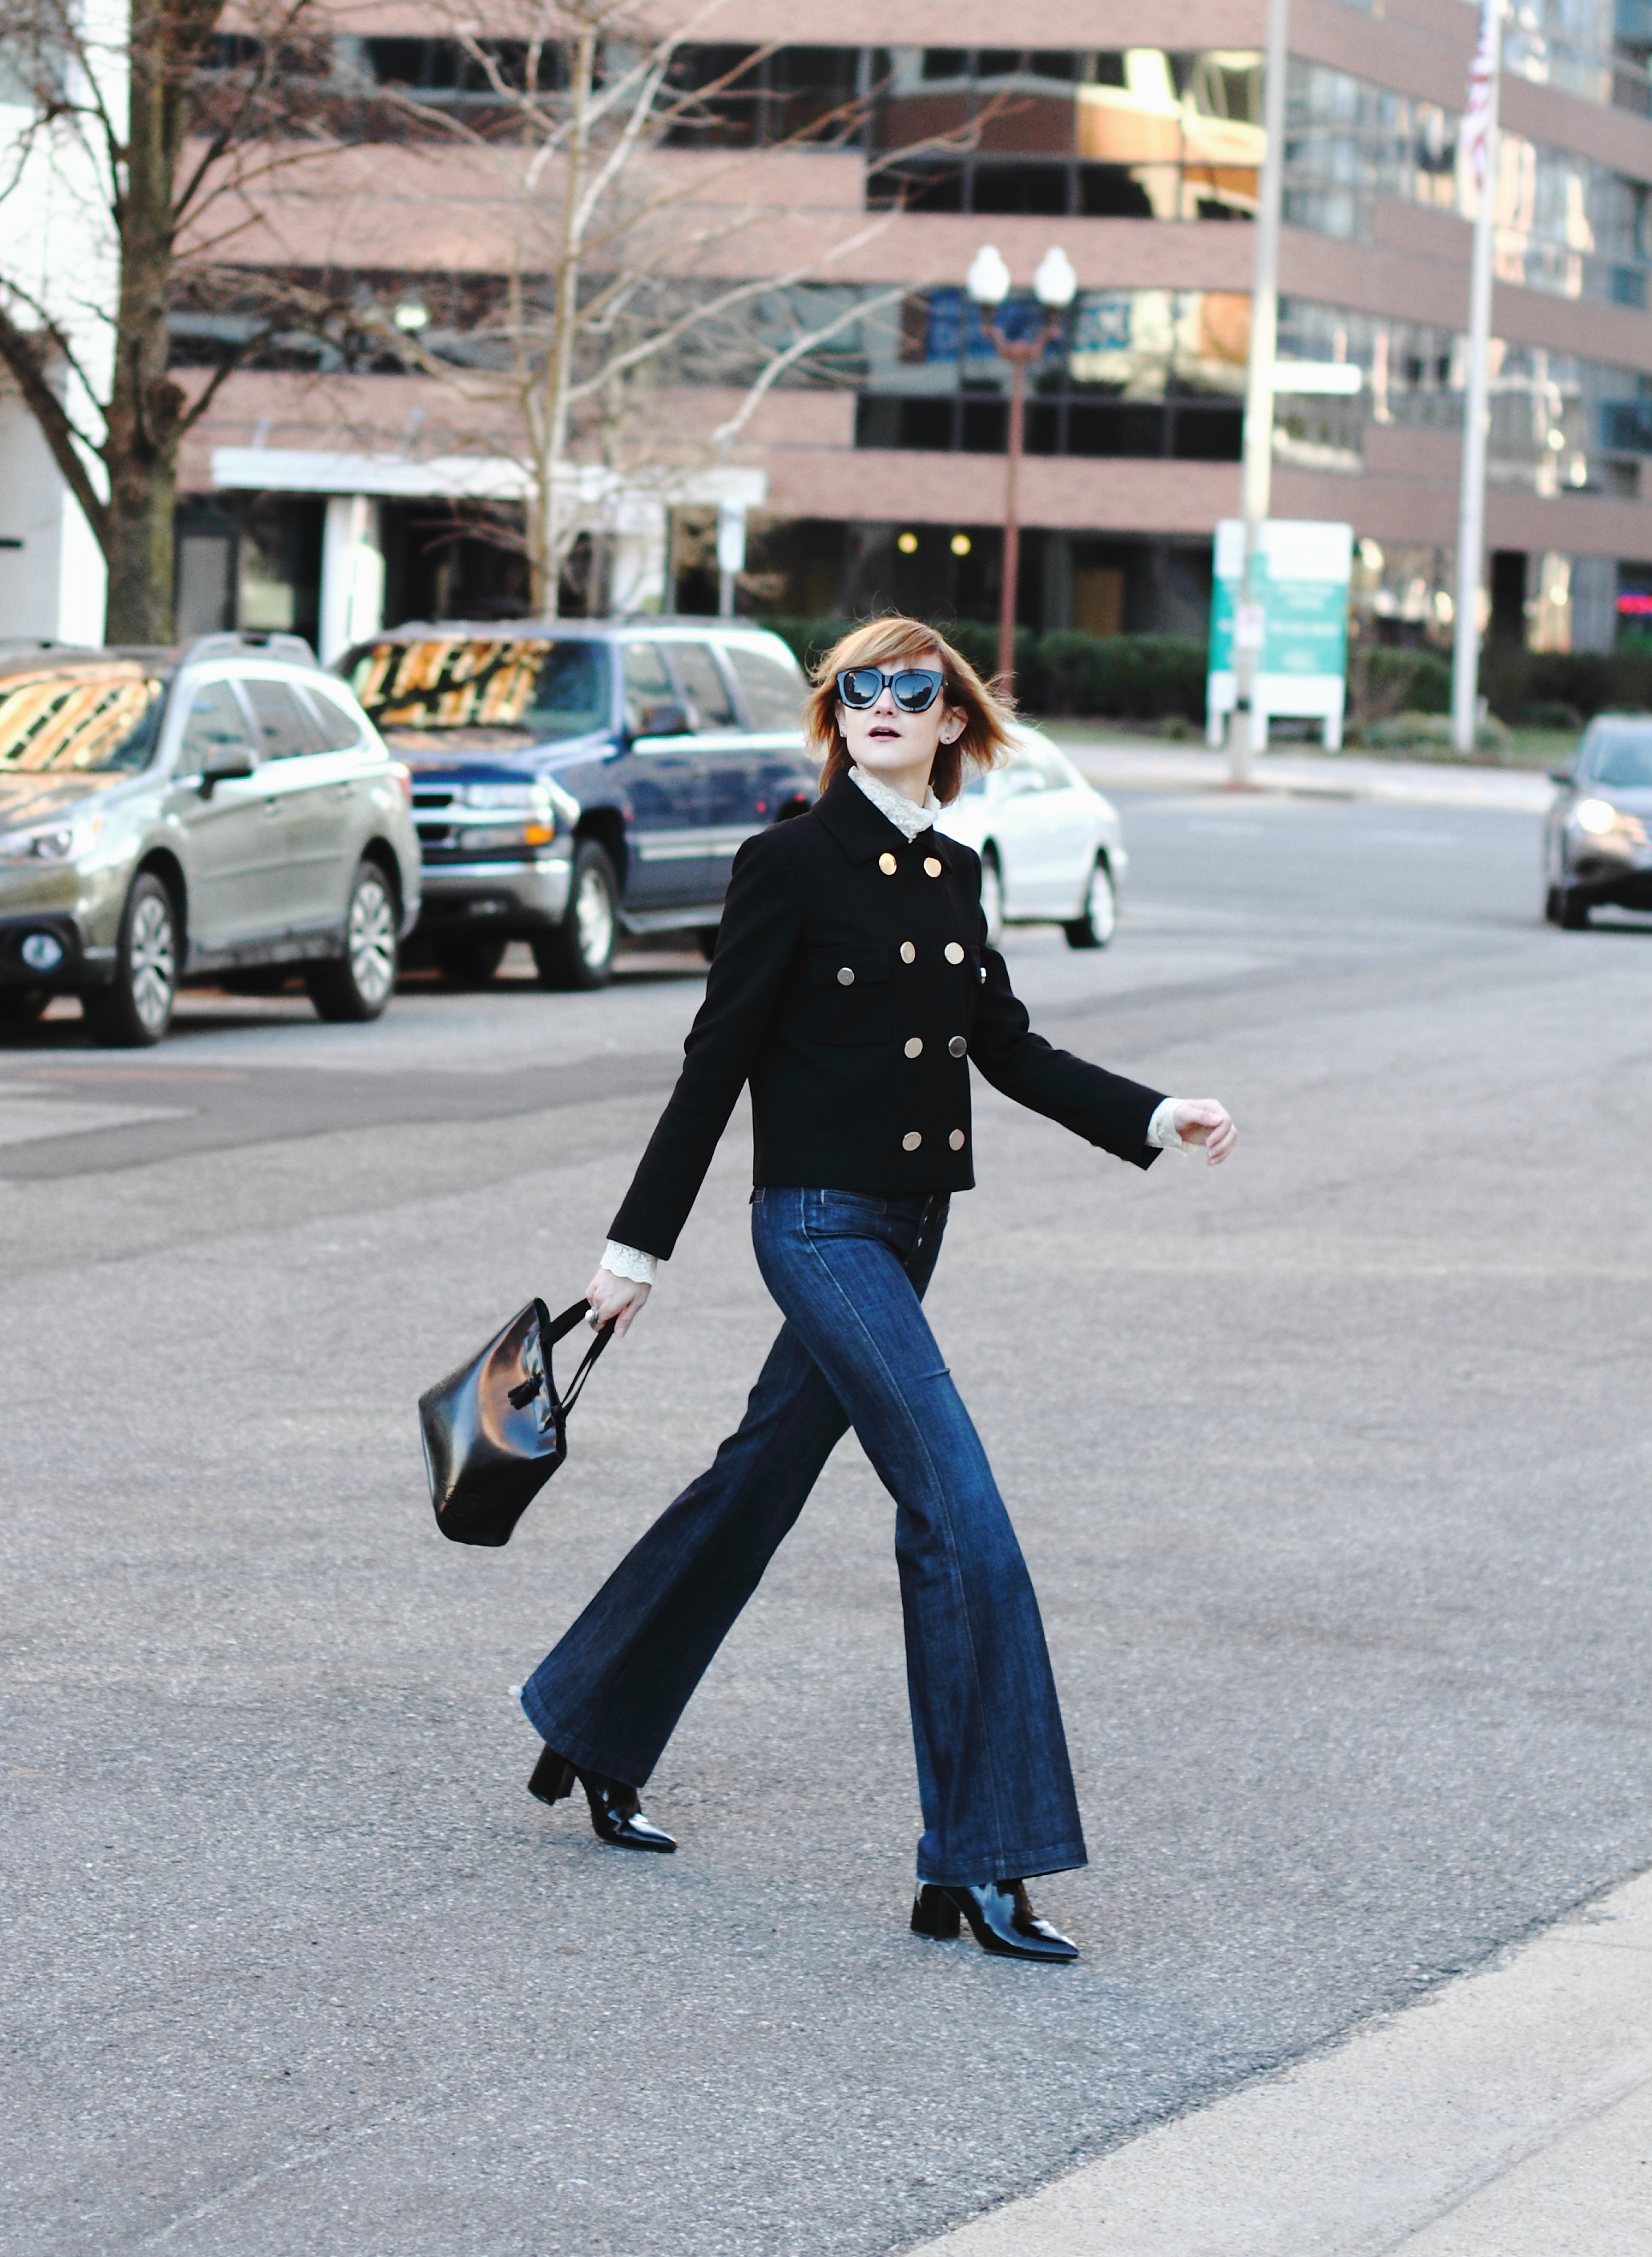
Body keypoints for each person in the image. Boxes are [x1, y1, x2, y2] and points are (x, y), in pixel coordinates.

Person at [518, 616, 1236, 1965]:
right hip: (816, 1231)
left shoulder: (957, 874)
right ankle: (982, 1862)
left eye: (914, 688)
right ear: (837, 715)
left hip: (910, 1237)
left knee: (758, 1478)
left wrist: (1153, 1115)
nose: (885, 704)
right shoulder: (787, 861)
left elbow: (1008, 1050)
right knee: (961, 1516)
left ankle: (588, 1720)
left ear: (953, 719)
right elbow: (712, 1065)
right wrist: (634, 1252)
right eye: (861, 688)